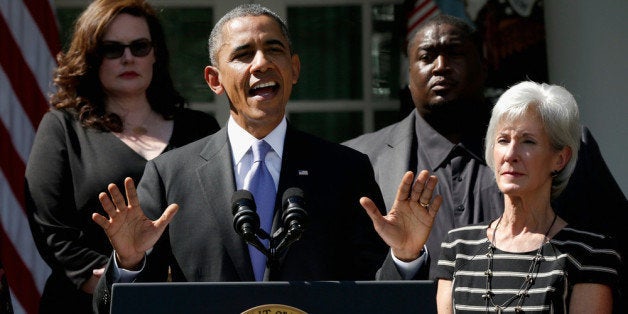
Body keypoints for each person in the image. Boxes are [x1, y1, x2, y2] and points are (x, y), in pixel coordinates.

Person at [90, 4, 441, 313]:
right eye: (243, 54)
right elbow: (117, 307)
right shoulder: (170, 175)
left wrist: (405, 257)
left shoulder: (345, 170)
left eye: (274, 50)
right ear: (215, 79)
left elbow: (381, 298)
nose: (262, 63)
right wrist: (129, 263)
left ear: (294, 69)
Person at [343, 14, 627, 287]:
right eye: (426, 57)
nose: (440, 66)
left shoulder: (564, 145)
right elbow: (351, 278)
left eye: (454, 53)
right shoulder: (360, 159)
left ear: (484, 64)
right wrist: (405, 259)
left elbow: (614, 247)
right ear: (409, 74)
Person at [24, 1, 220, 312]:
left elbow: (218, 218)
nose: (128, 58)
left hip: (186, 301)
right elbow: (52, 231)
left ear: (155, 54)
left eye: (140, 46)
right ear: (91, 57)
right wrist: (119, 283)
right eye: (112, 49)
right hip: (89, 302)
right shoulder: (63, 127)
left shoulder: (200, 128)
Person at [434, 81, 621, 313]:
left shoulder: (591, 253)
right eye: (503, 140)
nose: (511, 154)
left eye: (528, 141)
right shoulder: (458, 246)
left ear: (560, 159)